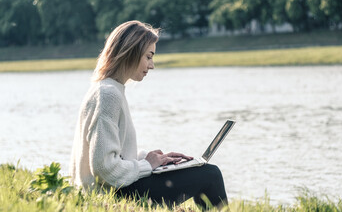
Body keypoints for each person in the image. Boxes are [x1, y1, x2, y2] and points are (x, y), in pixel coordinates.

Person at [70, 20, 228, 209]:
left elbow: (112, 155)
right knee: (209, 175)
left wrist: (154, 159)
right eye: (148, 56)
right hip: (113, 196)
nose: (151, 65)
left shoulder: (108, 89)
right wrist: (147, 165)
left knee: (202, 170)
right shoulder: (108, 94)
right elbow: (104, 168)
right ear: (131, 52)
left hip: (117, 189)